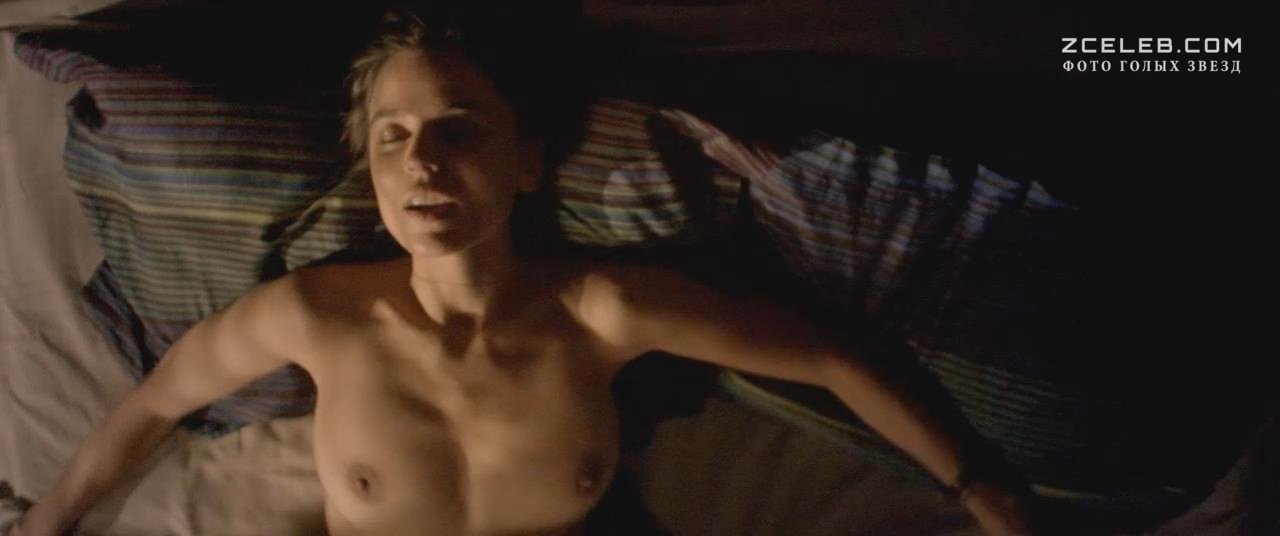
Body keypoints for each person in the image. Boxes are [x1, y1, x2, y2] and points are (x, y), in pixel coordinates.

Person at [11, 5, 1032, 535]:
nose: (422, 161)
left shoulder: (602, 310)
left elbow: (825, 355)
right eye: (393, 137)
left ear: (526, 160)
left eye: (457, 129)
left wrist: (977, 484)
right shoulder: (314, 317)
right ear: (372, 175)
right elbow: (160, 399)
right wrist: (48, 525)